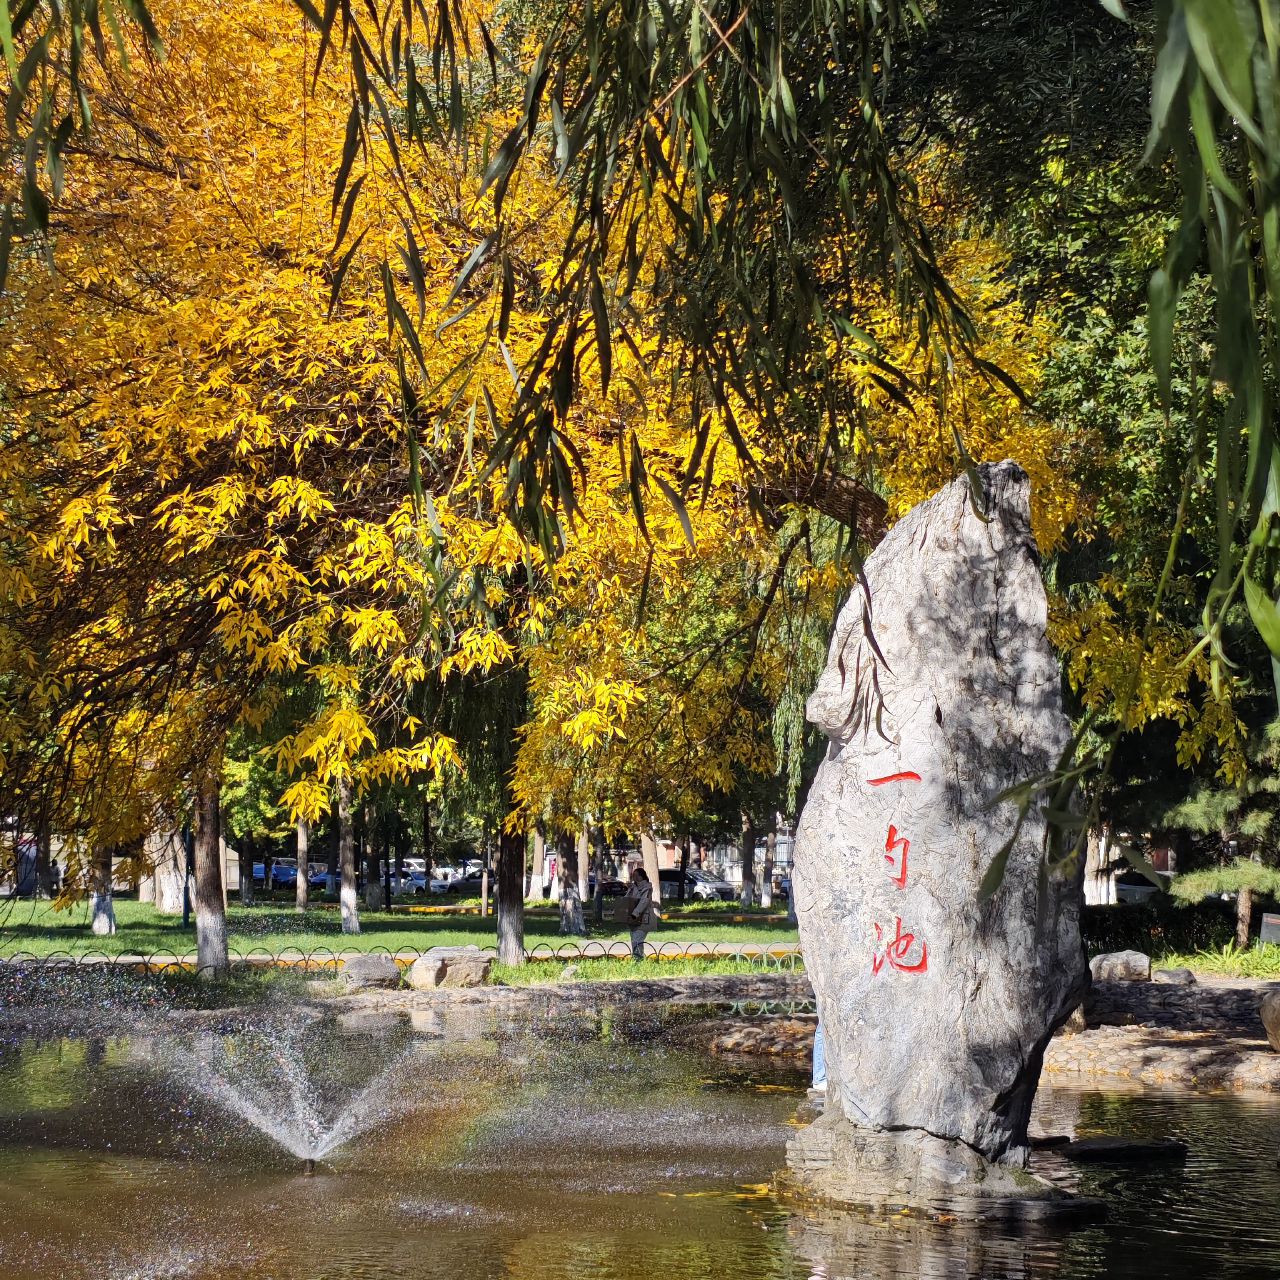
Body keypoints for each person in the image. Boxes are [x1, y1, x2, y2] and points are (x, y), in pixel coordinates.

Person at [622, 866, 658, 960]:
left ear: (642, 876)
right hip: (633, 918)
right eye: (633, 875)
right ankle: (638, 957)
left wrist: (635, 914)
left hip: (644, 918)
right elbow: (626, 899)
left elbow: (643, 902)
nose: (635, 877)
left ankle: (638, 958)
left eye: (637, 875)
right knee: (634, 939)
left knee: (637, 939)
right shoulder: (633, 887)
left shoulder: (647, 887)